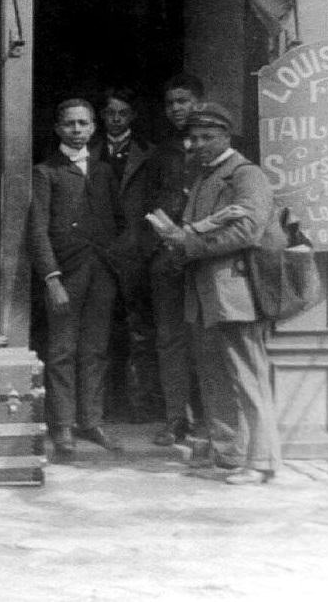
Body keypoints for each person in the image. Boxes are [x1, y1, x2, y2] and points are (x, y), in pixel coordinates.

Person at [160, 101, 280, 486]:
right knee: (214, 377)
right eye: (193, 137)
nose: (196, 144)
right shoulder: (206, 176)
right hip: (206, 294)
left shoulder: (246, 175)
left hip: (236, 294)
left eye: (206, 137)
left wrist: (189, 245)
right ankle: (229, 455)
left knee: (248, 378)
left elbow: (248, 230)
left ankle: (261, 462)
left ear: (226, 137)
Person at [28, 98, 123, 457]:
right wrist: (51, 278)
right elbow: (37, 229)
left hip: (101, 273)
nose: (77, 130)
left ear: (94, 127)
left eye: (84, 123)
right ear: (58, 129)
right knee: (62, 350)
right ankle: (62, 424)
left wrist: (113, 263)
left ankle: (91, 420)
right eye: (70, 124)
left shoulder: (103, 172)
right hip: (65, 273)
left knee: (96, 349)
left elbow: (118, 221)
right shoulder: (46, 172)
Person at [144, 72, 205, 447]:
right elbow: (149, 203)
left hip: (204, 257)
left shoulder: (221, 148)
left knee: (206, 338)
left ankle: (210, 420)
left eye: (183, 101)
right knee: (170, 340)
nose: (177, 109)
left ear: (199, 102)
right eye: (170, 103)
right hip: (167, 259)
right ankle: (176, 418)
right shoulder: (161, 153)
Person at [94, 87, 159, 424]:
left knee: (139, 332)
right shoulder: (89, 152)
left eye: (122, 113)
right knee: (102, 331)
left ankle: (140, 406)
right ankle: (103, 406)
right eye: (110, 113)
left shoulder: (149, 153)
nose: (116, 118)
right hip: (101, 254)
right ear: (102, 116)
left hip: (136, 254)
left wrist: (146, 246)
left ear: (132, 116)